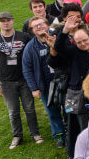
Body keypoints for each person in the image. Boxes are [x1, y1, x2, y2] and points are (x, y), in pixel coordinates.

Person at [0, 11, 42, 149]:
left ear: (13, 21)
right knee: (13, 111)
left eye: (8, 20)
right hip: (6, 82)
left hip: (24, 79)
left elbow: (32, 56)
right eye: (2, 20)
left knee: (29, 108)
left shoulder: (24, 37)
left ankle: (35, 133)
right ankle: (17, 136)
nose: (6, 22)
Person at [55, 8, 89, 159]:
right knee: (78, 127)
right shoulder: (73, 51)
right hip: (77, 95)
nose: (82, 44)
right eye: (79, 42)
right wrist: (65, 30)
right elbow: (59, 47)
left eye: (85, 40)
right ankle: (76, 155)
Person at [22, 16, 65, 146]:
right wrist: (34, 88)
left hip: (64, 80)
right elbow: (27, 69)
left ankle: (72, 131)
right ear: (32, 30)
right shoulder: (30, 47)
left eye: (41, 24)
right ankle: (59, 135)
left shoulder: (58, 38)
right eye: (36, 26)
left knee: (69, 108)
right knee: (52, 110)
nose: (39, 27)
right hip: (46, 85)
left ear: (47, 25)